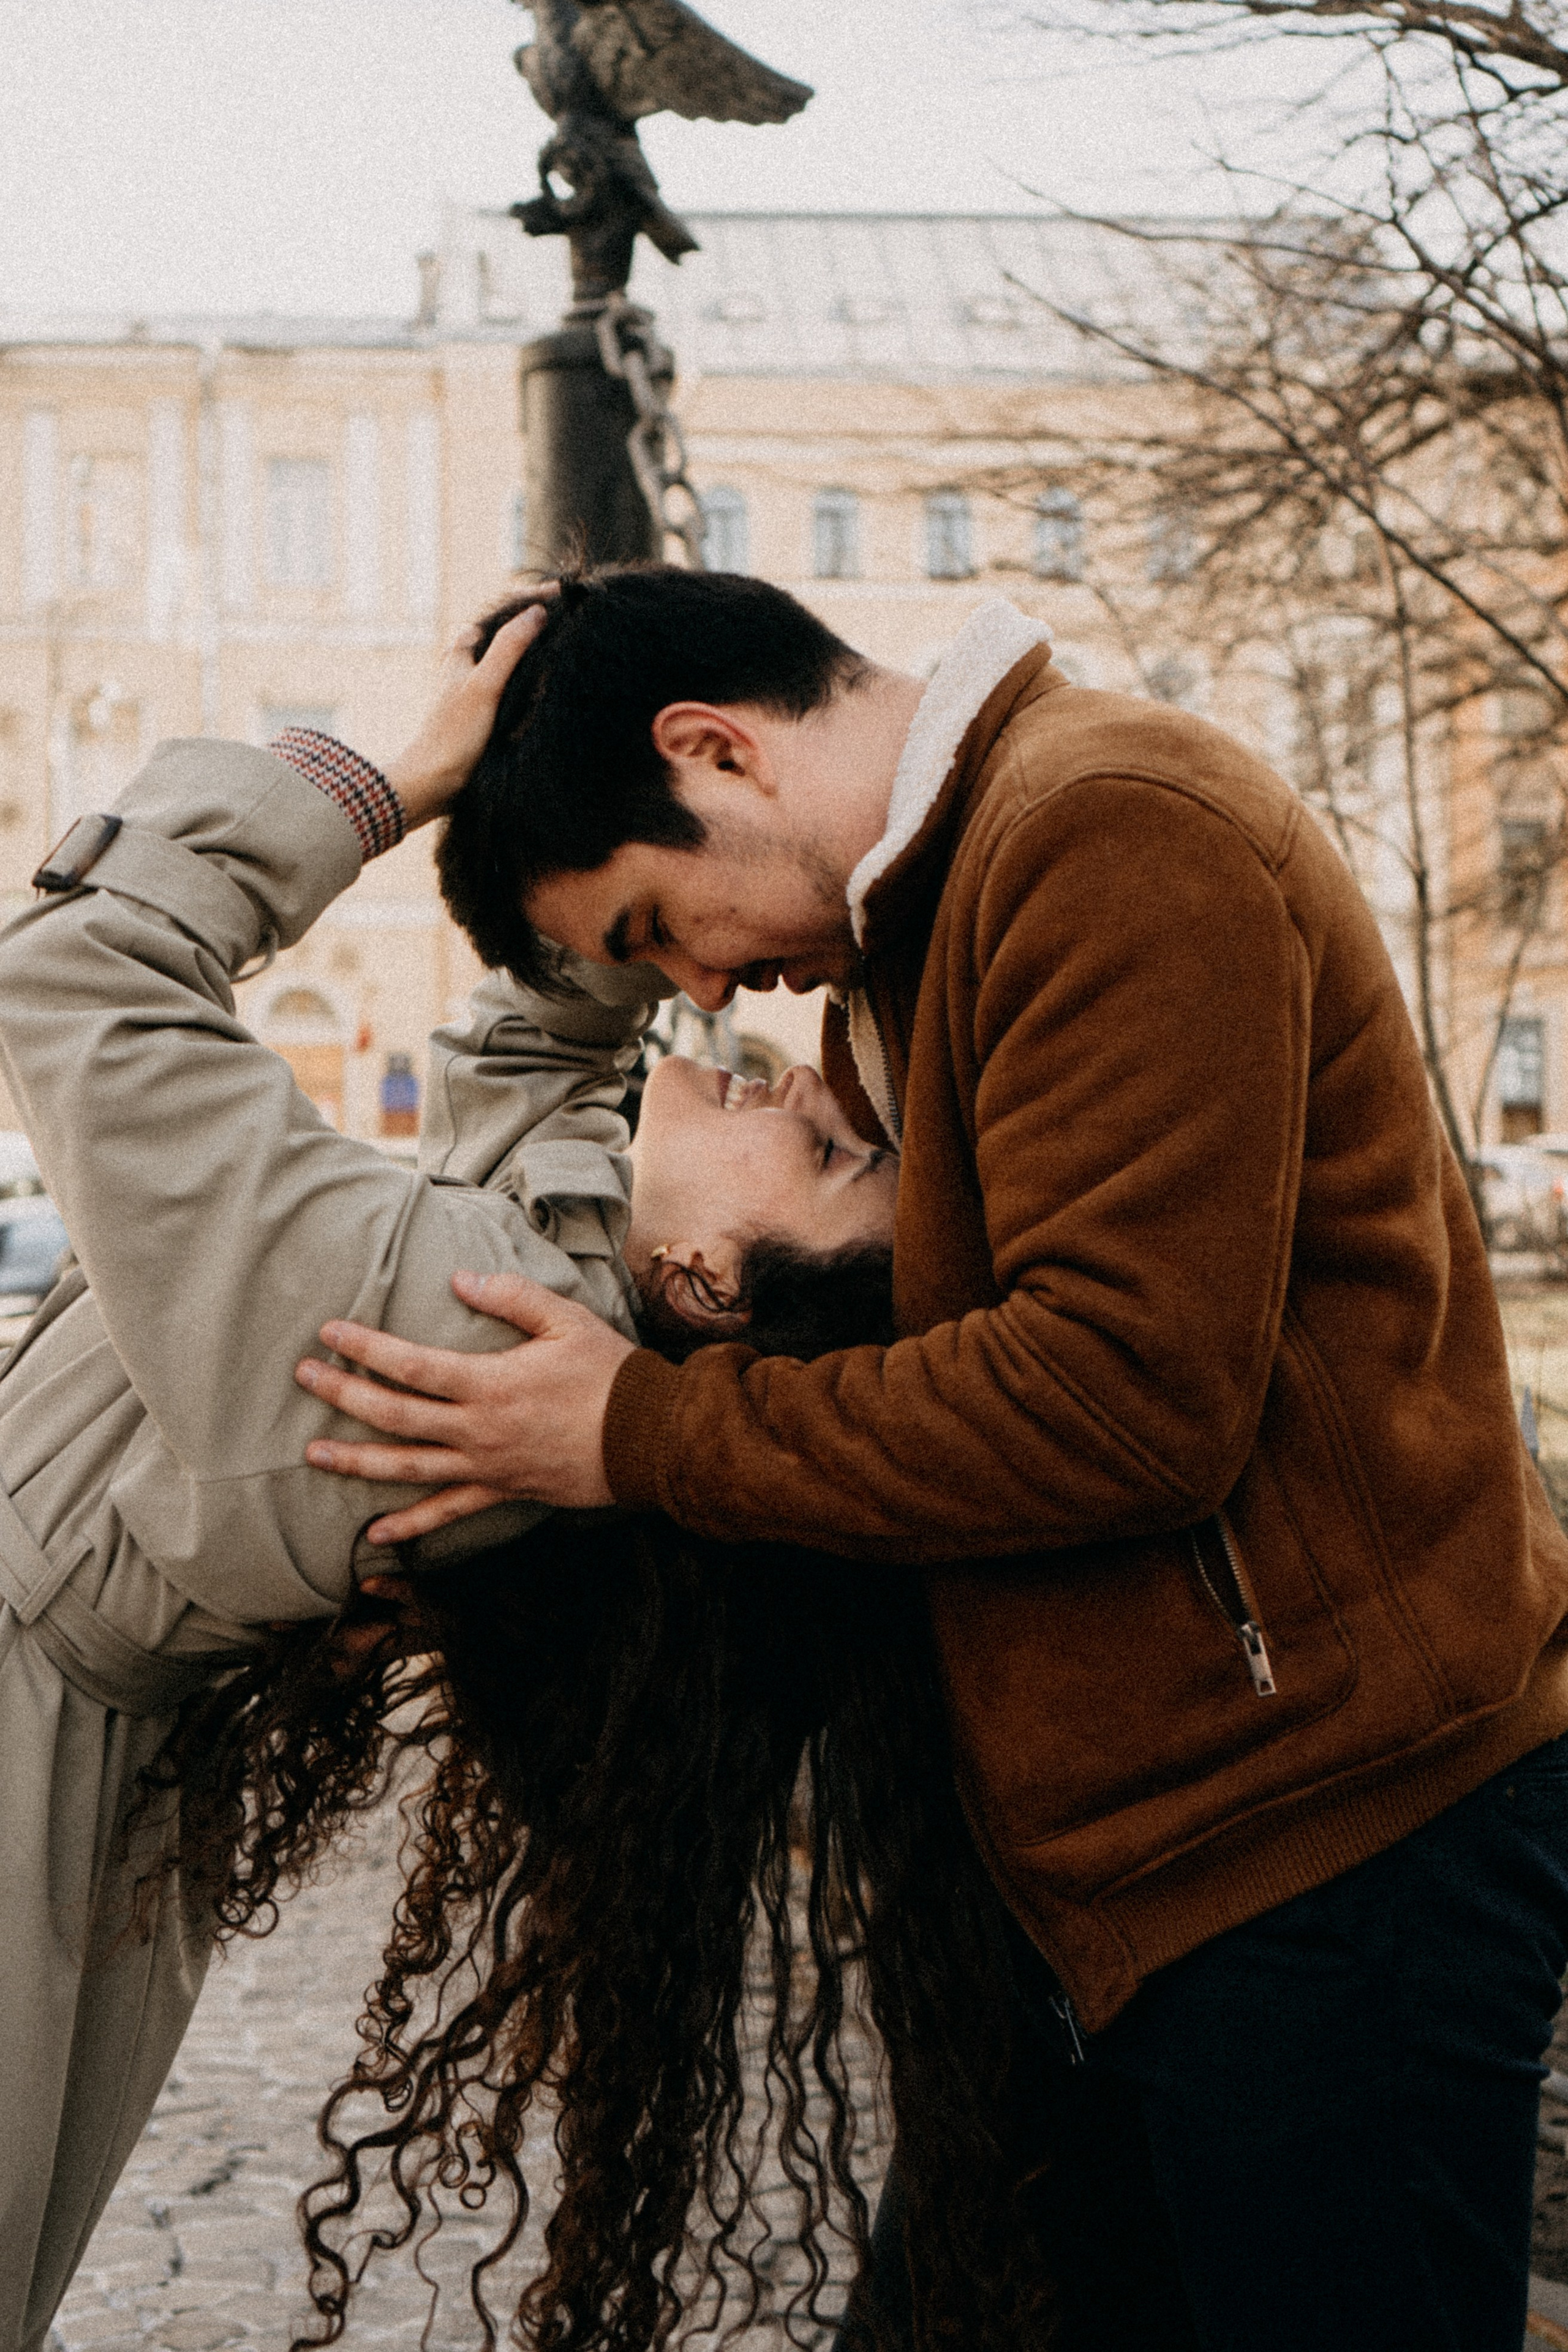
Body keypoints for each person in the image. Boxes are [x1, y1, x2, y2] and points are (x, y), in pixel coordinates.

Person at [302, 565, 1568, 2352]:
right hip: (1118, 1879)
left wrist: (636, 1432)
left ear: (717, 749)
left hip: (1327, 1847)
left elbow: (1120, 1399)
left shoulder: (1110, 830)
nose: (706, 984)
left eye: (663, 922)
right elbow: (897, 1423)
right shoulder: (920, 932)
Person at [0, 600, 900, 2352]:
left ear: (717, 1286)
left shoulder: (486, 1330)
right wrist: (595, 841)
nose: (779, 1067)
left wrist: (377, 780)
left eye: (822, 1151)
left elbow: (80, 969)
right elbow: (539, 1070)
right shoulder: (569, 1287)